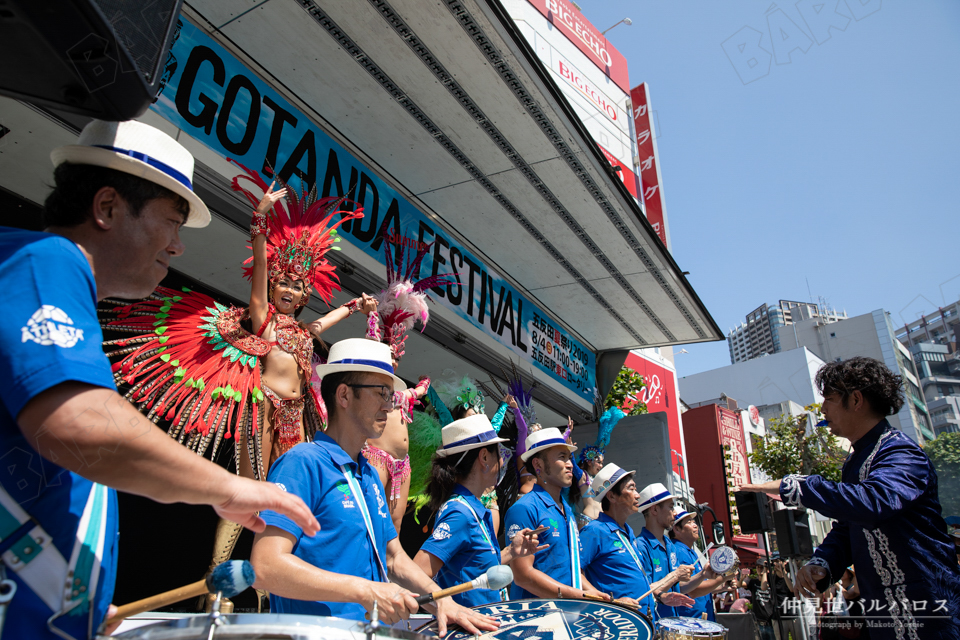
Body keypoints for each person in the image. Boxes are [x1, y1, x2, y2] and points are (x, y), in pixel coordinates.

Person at [0, 120, 318, 640]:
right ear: (107, 208)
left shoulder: (54, 282)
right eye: (171, 223)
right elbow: (80, 425)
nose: (177, 246)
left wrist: (75, 593)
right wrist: (230, 487)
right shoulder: (48, 261)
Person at [249, 339, 497, 635]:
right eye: (381, 393)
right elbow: (265, 567)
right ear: (343, 395)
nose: (389, 406)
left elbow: (393, 556)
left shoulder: (367, 474)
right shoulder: (302, 463)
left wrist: (442, 601)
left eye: (391, 396)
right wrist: (364, 590)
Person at [739, 357, 960, 639]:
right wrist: (823, 563)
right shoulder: (854, 463)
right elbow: (848, 527)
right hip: (883, 615)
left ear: (856, 400)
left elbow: (875, 502)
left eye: (829, 399)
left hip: (930, 609)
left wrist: (797, 486)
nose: (823, 408)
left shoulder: (902, 453)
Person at [413, 414, 546, 606]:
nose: (502, 463)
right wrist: (449, 610)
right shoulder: (460, 513)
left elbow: (474, 568)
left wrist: (511, 551)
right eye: (498, 454)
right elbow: (417, 573)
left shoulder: (471, 508)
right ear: (484, 457)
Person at [503, 427, 609, 601]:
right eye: (562, 457)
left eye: (569, 458)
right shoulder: (524, 508)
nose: (569, 464)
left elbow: (571, 568)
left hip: (568, 614)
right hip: (537, 620)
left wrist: (593, 593)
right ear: (538, 465)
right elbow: (523, 575)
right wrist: (578, 595)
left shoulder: (565, 508)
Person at [579, 464, 695, 620]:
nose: (638, 495)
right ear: (612, 496)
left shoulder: (629, 533)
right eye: (631, 488)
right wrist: (610, 602)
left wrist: (660, 596)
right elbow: (575, 573)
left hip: (642, 621)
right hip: (617, 624)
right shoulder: (595, 531)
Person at [634, 483, 705, 620]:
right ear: (654, 510)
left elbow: (680, 587)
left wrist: (703, 574)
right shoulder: (641, 546)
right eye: (671, 507)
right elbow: (645, 590)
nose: (674, 513)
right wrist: (676, 575)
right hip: (655, 624)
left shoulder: (670, 545)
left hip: (673, 624)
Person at [670, 510, 725, 621]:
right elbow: (693, 591)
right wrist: (722, 578)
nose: (695, 526)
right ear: (677, 529)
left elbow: (700, 586)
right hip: (690, 622)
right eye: (689, 522)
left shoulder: (690, 551)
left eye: (694, 522)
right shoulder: (679, 551)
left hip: (698, 621)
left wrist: (724, 584)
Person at [745, 561, 777, 640]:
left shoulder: (772, 581)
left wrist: (766, 571)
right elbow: (741, 584)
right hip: (758, 621)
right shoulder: (753, 582)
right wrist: (743, 576)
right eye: (758, 567)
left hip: (771, 621)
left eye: (761, 567)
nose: (760, 569)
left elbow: (763, 586)